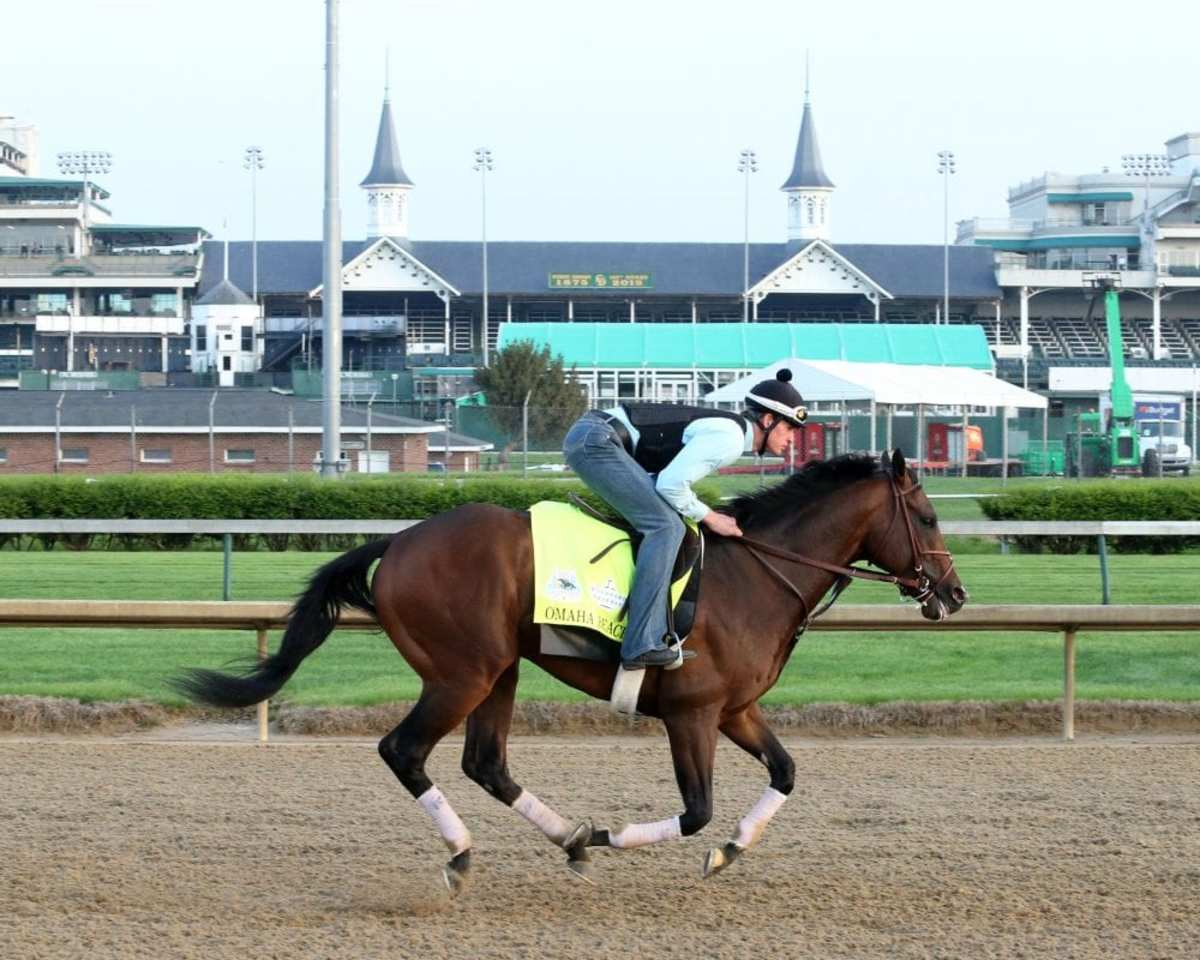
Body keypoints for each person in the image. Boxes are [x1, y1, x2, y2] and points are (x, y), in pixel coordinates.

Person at [562, 369, 807, 669]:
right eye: (790, 429)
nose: (792, 439)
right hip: (597, 440)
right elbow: (670, 484)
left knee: (671, 522)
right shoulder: (729, 438)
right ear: (768, 421)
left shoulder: (729, 431)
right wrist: (710, 517)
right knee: (666, 528)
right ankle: (641, 643)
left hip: (597, 435)